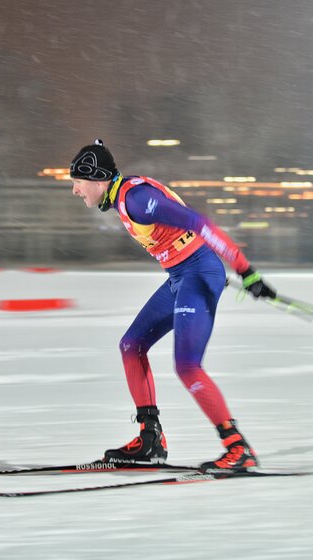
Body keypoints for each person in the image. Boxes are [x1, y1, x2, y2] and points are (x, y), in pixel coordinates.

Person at [69, 139, 276, 472]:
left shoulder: (138, 200)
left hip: (197, 274)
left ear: (97, 179)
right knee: (131, 345)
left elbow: (200, 224)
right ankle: (150, 440)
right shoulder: (124, 199)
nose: (76, 191)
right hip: (182, 276)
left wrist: (245, 270)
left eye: (77, 182)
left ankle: (238, 448)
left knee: (187, 366)